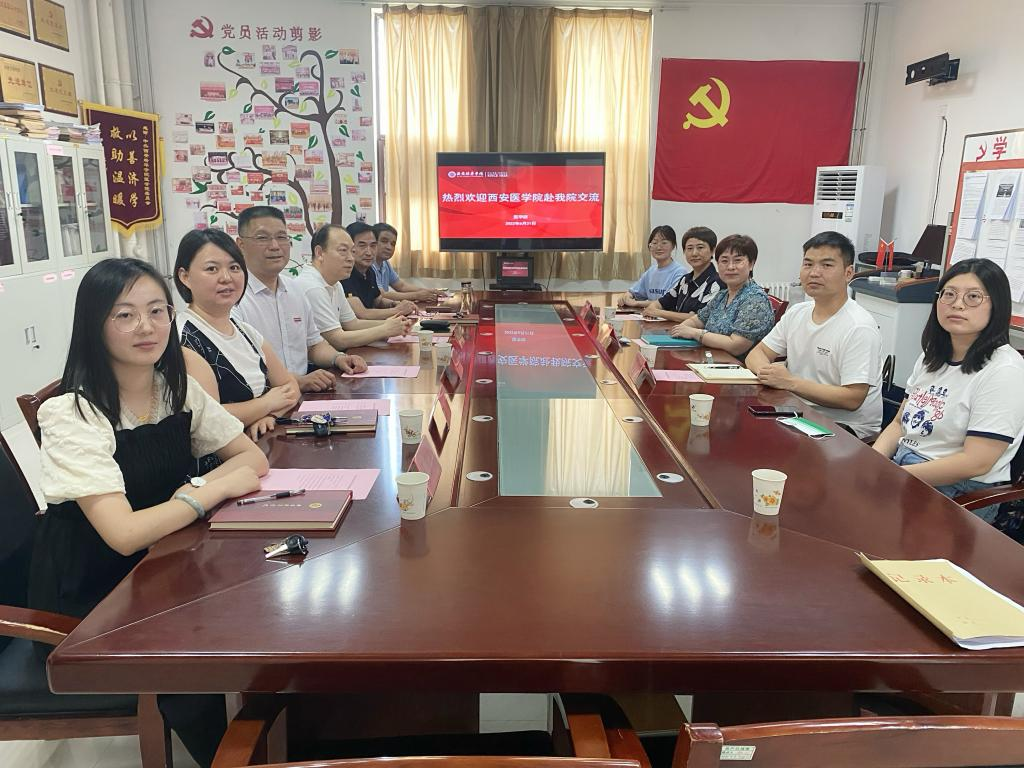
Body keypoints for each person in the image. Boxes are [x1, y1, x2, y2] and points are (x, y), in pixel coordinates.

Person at [28, 258, 269, 767]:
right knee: (196, 654)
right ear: (93, 324)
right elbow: (122, 534)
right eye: (125, 315)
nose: (147, 327)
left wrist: (199, 486)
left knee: (263, 609)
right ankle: (233, 757)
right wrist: (204, 493)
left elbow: (252, 459)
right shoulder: (72, 412)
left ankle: (287, 736)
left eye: (158, 311)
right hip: (93, 596)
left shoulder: (173, 388)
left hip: (162, 562)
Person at [872, 258, 1024, 522]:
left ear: (996, 306)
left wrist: (895, 477)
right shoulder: (932, 356)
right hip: (905, 468)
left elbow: (976, 461)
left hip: (957, 490)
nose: (958, 304)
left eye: (973, 297)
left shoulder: (1004, 370)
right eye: (949, 294)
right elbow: (899, 423)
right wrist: (872, 463)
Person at [745, 231, 882, 439]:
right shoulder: (798, 313)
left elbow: (853, 398)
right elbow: (757, 353)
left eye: (826, 265)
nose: (814, 273)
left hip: (843, 428)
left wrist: (789, 382)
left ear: (848, 273)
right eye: (808, 264)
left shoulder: (858, 326)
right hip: (797, 412)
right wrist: (770, 374)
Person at [173, 229, 300, 442]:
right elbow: (210, 418)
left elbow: (290, 386)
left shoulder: (246, 331)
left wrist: (270, 416)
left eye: (234, 267)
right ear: (185, 277)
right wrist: (267, 403)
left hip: (261, 442)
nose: (226, 278)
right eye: (212, 269)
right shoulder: (184, 337)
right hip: (220, 457)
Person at [232, 206, 367, 392]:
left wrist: (339, 358)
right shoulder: (234, 298)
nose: (275, 246)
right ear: (241, 245)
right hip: (264, 399)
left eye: (281, 237)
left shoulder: (295, 290)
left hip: (304, 394)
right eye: (262, 238)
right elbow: (243, 366)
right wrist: (299, 381)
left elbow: (314, 345)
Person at [293, 224, 414, 349]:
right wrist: (385, 329)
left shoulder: (335, 283)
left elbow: (352, 324)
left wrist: (392, 324)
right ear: (319, 253)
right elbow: (337, 339)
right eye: (343, 251)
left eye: (352, 251)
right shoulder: (312, 287)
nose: (351, 258)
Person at [669, 234, 774, 359]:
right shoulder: (722, 295)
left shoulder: (755, 299)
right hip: (711, 360)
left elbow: (736, 346)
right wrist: (683, 328)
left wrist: (696, 334)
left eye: (737, 260)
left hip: (737, 367)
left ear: (751, 264)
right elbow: (697, 320)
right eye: (724, 261)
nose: (730, 267)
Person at [643, 226, 724, 322]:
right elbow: (661, 302)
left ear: (713, 250)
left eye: (700, 247)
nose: (694, 253)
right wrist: (653, 309)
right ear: (684, 252)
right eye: (689, 248)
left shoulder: (718, 282)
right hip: (675, 329)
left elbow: (701, 318)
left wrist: (658, 313)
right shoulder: (685, 280)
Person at [342, 221, 419, 320]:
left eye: (373, 246)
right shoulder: (345, 274)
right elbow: (363, 314)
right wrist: (398, 310)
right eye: (362, 246)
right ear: (349, 247)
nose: (369, 252)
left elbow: (378, 301)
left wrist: (394, 304)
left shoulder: (370, 271)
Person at [372, 222, 446, 303]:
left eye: (393, 244)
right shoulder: (368, 265)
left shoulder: (385, 263)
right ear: (373, 242)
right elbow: (381, 294)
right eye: (384, 241)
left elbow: (401, 286)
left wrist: (428, 291)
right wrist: (417, 295)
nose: (389, 247)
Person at [617, 225, 688, 308]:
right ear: (650, 246)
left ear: (673, 246)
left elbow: (668, 302)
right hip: (651, 314)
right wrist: (626, 296)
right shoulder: (651, 271)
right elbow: (634, 292)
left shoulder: (680, 272)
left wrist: (637, 303)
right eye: (654, 243)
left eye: (664, 243)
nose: (659, 247)